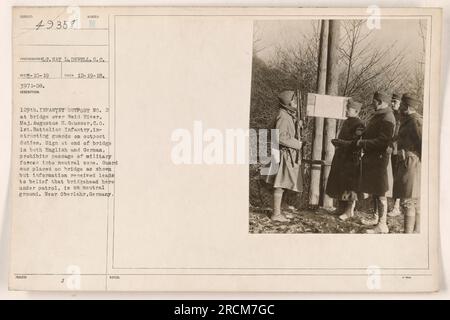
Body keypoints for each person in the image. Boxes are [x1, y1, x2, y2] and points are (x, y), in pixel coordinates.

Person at [357, 91, 396, 234]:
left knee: (381, 191)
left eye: (374, 101)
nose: (372, 103)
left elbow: (382, 141)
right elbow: (374, 133)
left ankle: (382, 224)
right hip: (373, 158)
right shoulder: (380, 115)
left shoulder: (387, 117)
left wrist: (363, 143)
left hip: (380, 159)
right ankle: (376, 218)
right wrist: (362, 133)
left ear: (379, 101)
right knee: (375, 189)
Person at [264, 90, 303, 222]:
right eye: (294, 100)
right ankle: (276, 214)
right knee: (279, 183)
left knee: (283, 181)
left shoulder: (286, 114)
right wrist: (298, 144)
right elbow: (280, 137)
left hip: (283, 153)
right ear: (288, 102)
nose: (296, 102)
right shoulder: (283, 116)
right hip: (283, 154)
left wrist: (297, 124)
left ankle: (280, 209)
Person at [326, 99, 365, 221]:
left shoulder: (359, 124)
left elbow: (357, 143)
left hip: (351, 159)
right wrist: (337, 142)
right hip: (341, 157)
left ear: (356, 111)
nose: (346, 110)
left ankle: (349, 211)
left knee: (350, 185)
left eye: (348, 109)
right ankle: (341, 208)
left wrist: (341, 143)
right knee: (339, 182)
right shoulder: (347, 122)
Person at [393, 93, 422, 233]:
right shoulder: (408, 119)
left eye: (403, 104)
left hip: (412, 163)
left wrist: (418, 161)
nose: (400, 107)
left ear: (408, 106)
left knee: (409, 200)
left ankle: (409, 233)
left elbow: (424, 144)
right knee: (411, 199)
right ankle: (413, 232)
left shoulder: (416, 121)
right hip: (406, 162)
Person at [388, 93, 402, 217]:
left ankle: (397, 207)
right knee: (390, 177)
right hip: (389, 150)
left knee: (397, 177)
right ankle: (391, 206)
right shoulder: (390, 115)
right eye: (392, 101)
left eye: (395, 102)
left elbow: (398, 134)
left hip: (397, 151)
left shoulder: (402, 117)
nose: (392, 104)